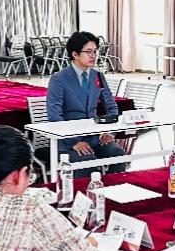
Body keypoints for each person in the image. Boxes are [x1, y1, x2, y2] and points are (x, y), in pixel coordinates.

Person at [46, 31, 127, 177]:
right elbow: (54, 115)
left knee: (118, 154)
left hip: (94, 137)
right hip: (67, 141)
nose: (93, 56)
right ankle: (90, 190)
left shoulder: (98, 76)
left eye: (95, 52)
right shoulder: (58, 79)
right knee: (88, 162)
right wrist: (73, 142)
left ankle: (113, 186)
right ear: (75, 54)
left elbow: (111, 106)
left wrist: (110, 132)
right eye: (88, 52)